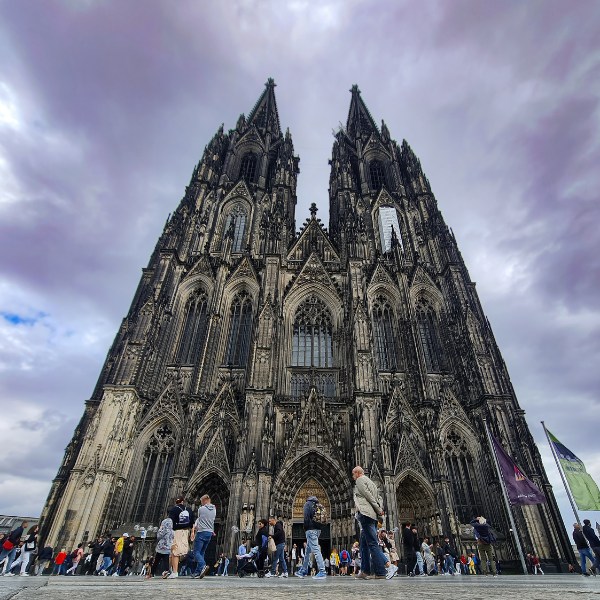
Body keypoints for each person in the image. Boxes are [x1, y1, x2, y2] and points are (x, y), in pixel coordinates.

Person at [352, 466, 397, 580]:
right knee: (363, 544)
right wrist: (378, 510)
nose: (353, 477)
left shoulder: (360, 480)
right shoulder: (371, 483)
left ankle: (388, 566)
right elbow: (379, 498)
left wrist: (378, 509)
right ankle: (365, 571)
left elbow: (369, 496)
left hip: (366, 514)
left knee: (372, 543)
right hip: (371, 515)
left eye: (353, 474)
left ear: (357, 473)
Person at [294, 495, 327, 580]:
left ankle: (322, 571)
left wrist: (306, 528)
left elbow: (306, 517)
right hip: (318, 530)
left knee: (316, 550)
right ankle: (303, 570)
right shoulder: (318, 505)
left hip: (310, 530)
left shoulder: (307, 504)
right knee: (308, 551)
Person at [167, 496, 195, 579]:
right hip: (186, 532)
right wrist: (192, 532)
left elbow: (170, 523)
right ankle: (171, 569)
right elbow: (192, 522)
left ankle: (174, 571)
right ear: (183, 502)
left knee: (174, 551)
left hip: (177, 531)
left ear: (176, 502)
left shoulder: (174, 509)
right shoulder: (189, 509)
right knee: (184, 551)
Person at [191, 494, 216, 579]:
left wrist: (194, 529)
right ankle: (198, 572)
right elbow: (211, 521)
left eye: (201, 502)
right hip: (209, 533)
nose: (201, 503)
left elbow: (199, 519)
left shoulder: (201, 509)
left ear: (205, 500)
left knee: (196, 552)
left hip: (201, 532)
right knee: (202, 552)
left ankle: (203, 565)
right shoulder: (214, 509)